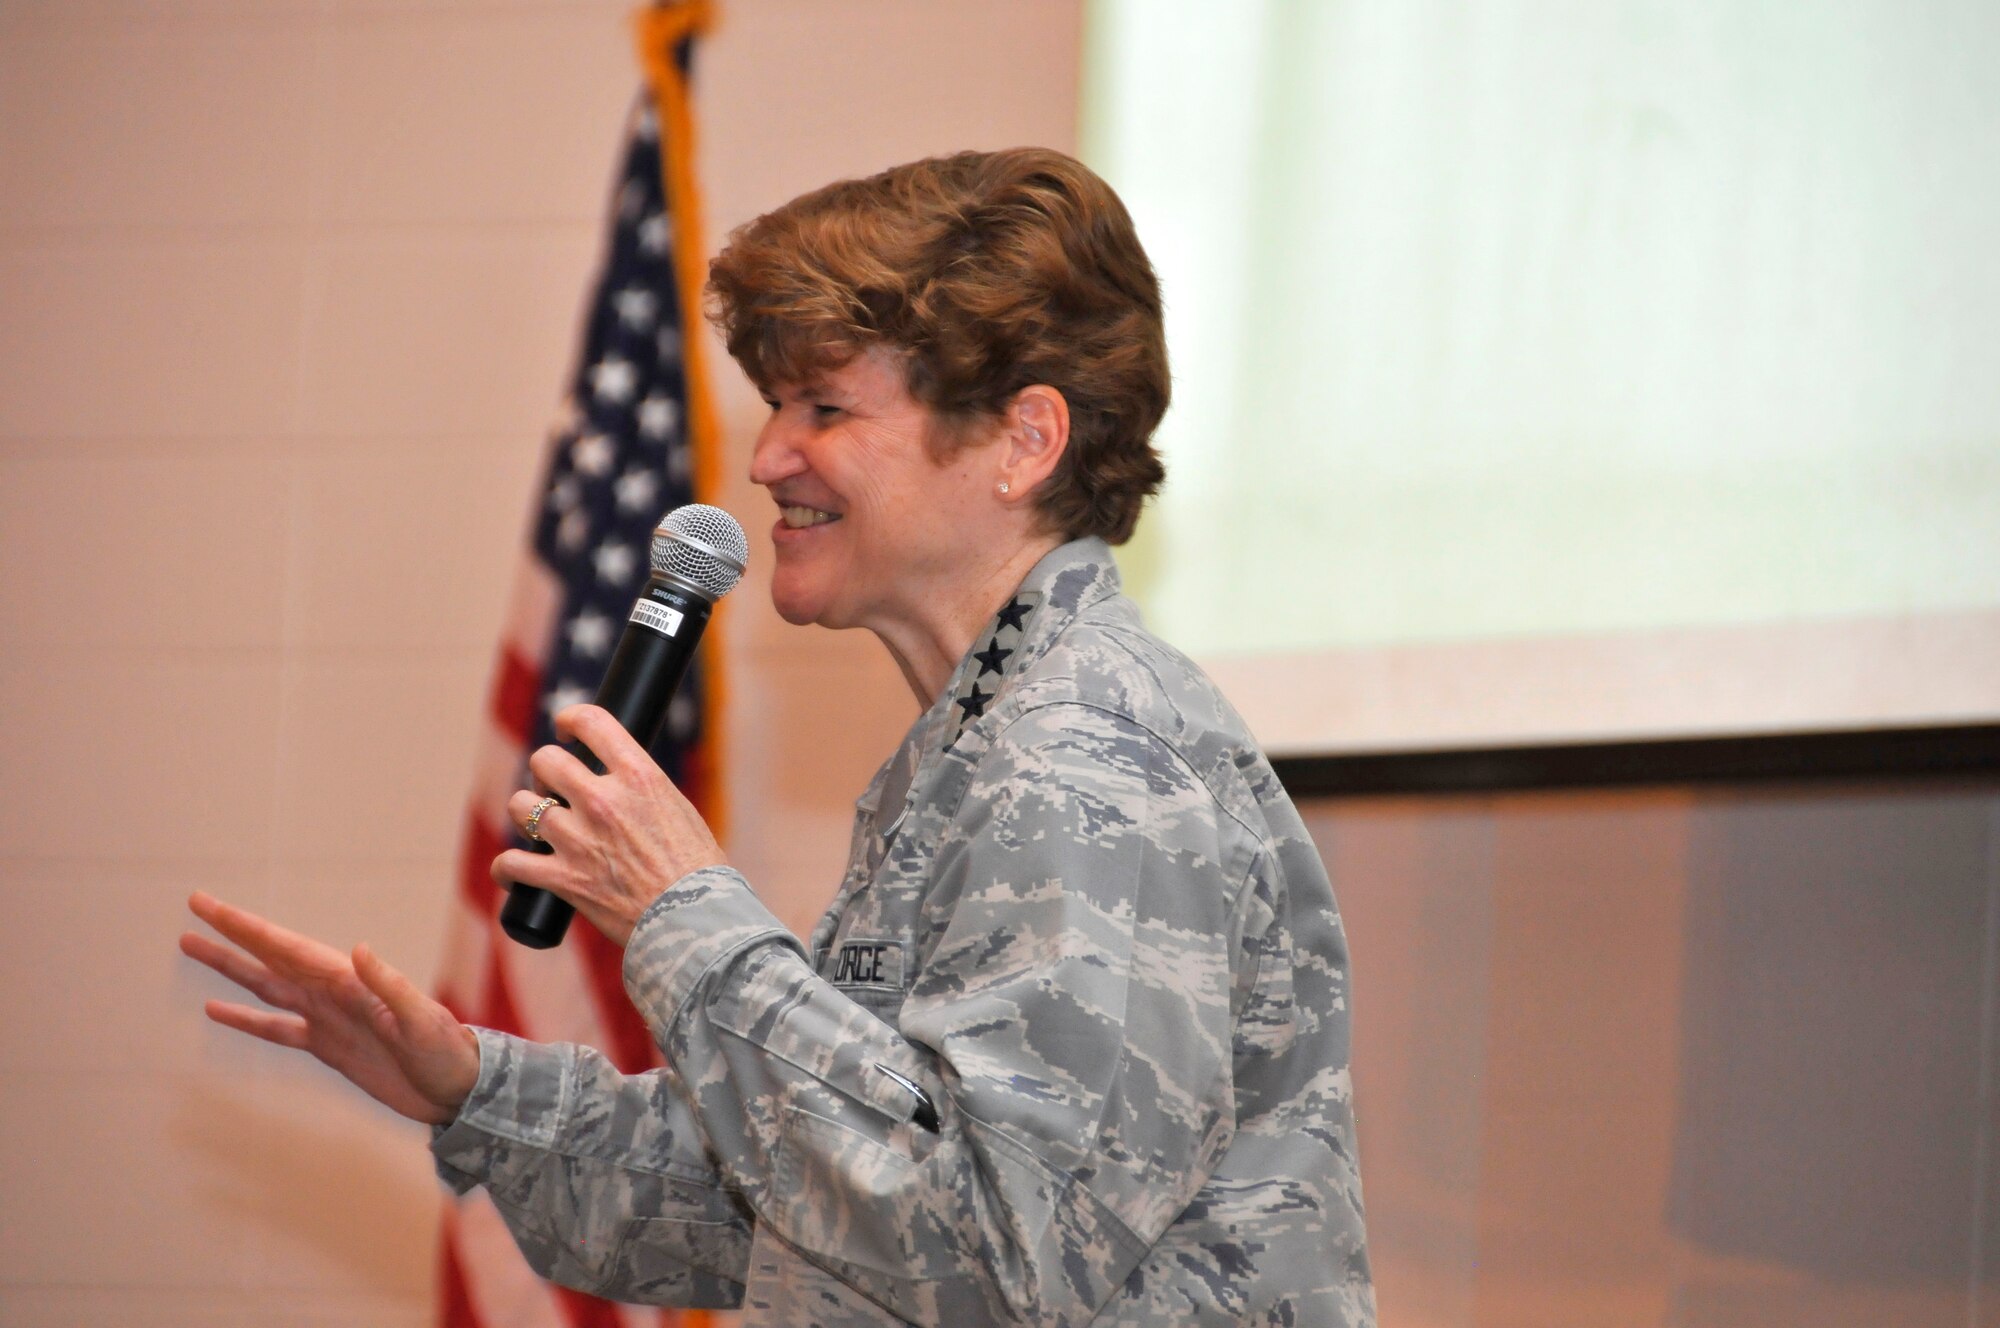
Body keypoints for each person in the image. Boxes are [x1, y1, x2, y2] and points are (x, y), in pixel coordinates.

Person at [182, 147, 1375, 1326]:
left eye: (826, 406)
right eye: (773, 406)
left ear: (1024, 439)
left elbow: (1005, 1250)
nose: (763, 459)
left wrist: (684, 911)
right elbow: (810, 1197)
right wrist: (474, 1088)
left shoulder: (1082, 758)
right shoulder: (985, 740)